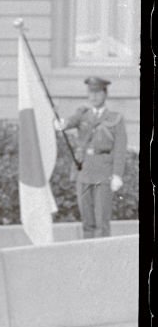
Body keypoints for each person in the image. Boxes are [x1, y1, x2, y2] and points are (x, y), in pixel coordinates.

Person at [55, 77, 127, 238]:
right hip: (84, 171)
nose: (93, 97)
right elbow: (68, 123)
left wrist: (117, 175)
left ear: (105, 94)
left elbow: (120, 149)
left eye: (97, 92)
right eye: (90, 93)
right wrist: (61, 123)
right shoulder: (83, 114)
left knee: (102, 221)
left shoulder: (115, 118)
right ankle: (88, 256)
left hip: (104, 172)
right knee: (86, 220)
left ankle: (102, 258)